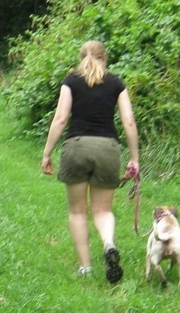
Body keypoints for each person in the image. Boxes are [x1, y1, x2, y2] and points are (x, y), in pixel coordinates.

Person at [41, 40, 139, 283]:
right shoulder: (116, 82)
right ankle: (108, 243)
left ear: (81, 57)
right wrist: (135, 158)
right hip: (108, 149)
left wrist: (47, 153)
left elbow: (61, 118)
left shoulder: (71, 81)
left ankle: (85, 268)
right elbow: (128, 122)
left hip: (76, 147)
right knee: (103, 210)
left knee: (77, 211)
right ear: (104, 57)